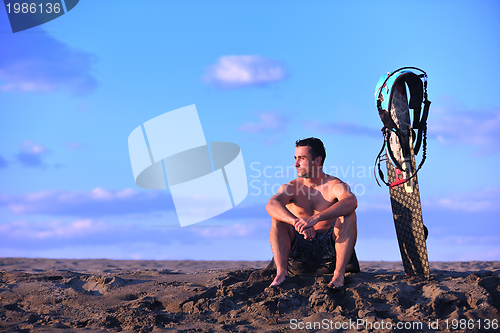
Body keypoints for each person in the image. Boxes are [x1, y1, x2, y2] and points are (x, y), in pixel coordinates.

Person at [266, 137, 357, 289]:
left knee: (348, 215)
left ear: (317, 161)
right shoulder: (291, 187)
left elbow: (351, 202)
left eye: (302, 158)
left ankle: (338, 275)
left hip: (330, 253)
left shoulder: (335, 185)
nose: (296, 164)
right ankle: (281, 273)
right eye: (295, 158)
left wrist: (315, 219)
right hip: (297, 253)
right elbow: (271, 204)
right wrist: (297, 222)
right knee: (277, 218)